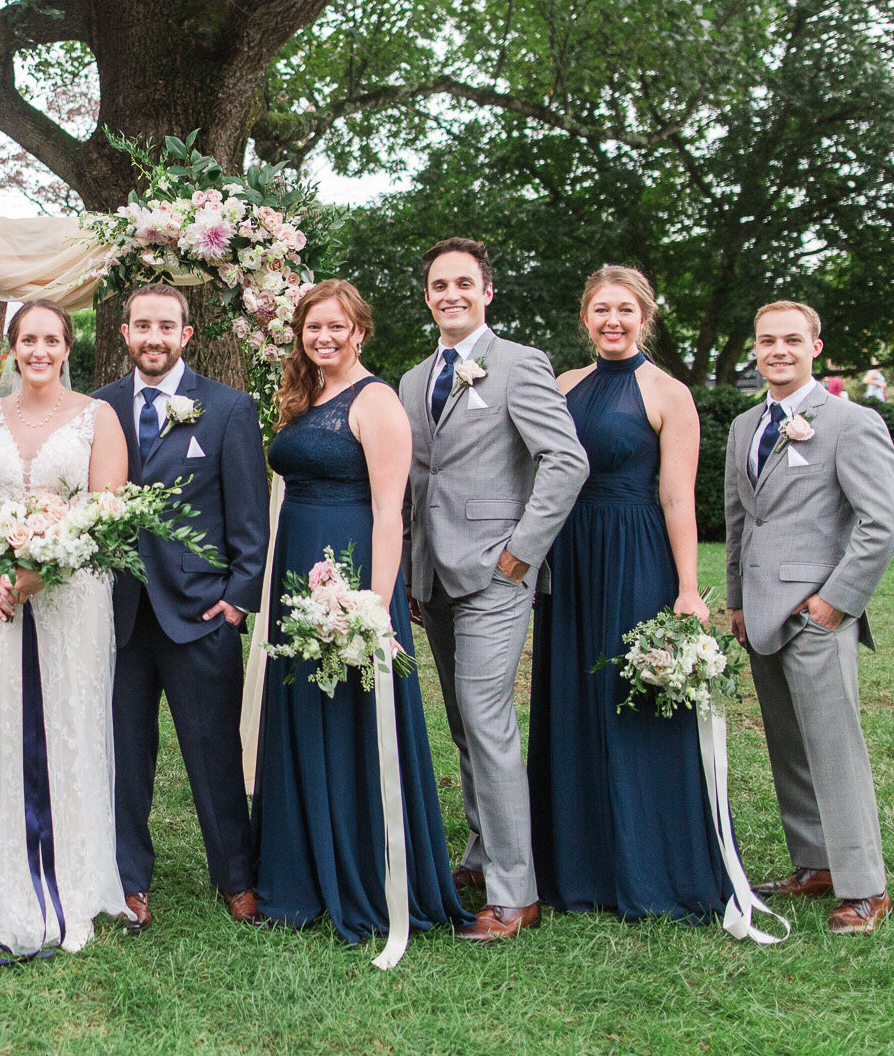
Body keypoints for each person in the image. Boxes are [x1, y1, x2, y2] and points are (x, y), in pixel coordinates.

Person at [252, 281, 473, 941]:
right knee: (301, 706)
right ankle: (296, 873)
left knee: (350, 712)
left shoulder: (376, 401)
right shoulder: (303, 394)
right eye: (313, 326)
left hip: (349, 570)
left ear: (360, 332)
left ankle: (359, 873)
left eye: (336, 326)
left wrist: (372, 607)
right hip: (297, 567)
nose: (323, 336)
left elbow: (388, 513)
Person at [399, 237, 589, 942]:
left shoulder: (520, 364)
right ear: (428, 296)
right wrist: (414, 570)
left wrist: (521, 553)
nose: (450, 293)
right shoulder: (413, 379)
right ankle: (481, 855)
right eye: (438, 284)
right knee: (462, 724)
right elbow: (418, 482)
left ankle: (516, 890)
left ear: (487, 291)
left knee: (487, 718)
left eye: (463, 283)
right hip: (436, 577)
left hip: (497, 573)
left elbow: (565, 461)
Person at [527, 267, 728, 922]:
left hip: (635, 553)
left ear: (646, 316)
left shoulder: (669, 392)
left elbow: (677, 495)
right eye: (600, 310)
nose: (613, 321)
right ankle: (574, 865)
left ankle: (649, 862)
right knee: (573, 700)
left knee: (632, 700)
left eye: (625, 310)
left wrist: (690, 586)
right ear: (585, 317)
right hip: (570, 555)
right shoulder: (562, 386)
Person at [0, 299, 132, 958]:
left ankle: (71, 879)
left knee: (67, 720)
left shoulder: (96, 417)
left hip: (70, 597)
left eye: (49, 338)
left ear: (66, 347)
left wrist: (40, 570)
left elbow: (105, 512)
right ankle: (0, 877)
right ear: (12, 347)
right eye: (26, 338)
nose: (38, 349)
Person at [725, 300, 894, 935]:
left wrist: (836, 603)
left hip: (816, 614)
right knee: (789, 746)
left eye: (792, 340)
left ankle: (864, 889)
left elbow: (884, 523)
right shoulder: (746, 425)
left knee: (834, 748)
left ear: (815, 347)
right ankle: (816, 864)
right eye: (767, 340)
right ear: (756, 347)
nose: (778, 350)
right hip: (762, 613)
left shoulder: (850, 421)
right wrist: (738, 602)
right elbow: (741, 520)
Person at [90, 284, 267, 930]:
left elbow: (250, 519)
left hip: (200, 613)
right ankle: (130, 878)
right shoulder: (101, 406)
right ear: (126, 333)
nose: (154, 336)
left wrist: (237, 602)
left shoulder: (228, 409)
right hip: (121, 613)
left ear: (186, 335)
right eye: (143, 325)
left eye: (166, 325)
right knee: (126, 753)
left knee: (213, 748)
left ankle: (237, 876)